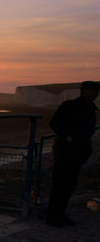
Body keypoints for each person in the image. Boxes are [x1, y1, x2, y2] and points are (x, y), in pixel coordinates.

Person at [46, 80, 98, 227]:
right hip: (65, 151)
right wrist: (66, 136)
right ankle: (53, 216)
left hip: (79, 152)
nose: (96, 94)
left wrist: (86, 149)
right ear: (84, 91)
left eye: (97, 91)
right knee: (59, 184)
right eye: (94, 91)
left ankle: (60, 214)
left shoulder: (91, 109)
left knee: (70, 185)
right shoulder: (70, 106)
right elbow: (54, 123)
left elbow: (89, 130)